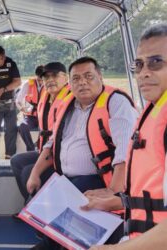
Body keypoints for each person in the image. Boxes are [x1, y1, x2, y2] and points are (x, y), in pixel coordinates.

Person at [27, 57, 138, 249]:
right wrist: (35, 174)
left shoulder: (115, 102)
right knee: (34, 199)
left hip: (99, 179)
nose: (83, 82)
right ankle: (52, 237)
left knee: (65, 215)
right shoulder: (69, 104)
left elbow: (125, 152)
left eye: (89, 76)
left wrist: (113, 190)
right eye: (76, 79)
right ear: (70, 83)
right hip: (65, 177)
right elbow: (52, 142)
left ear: (100, 77)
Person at [81, 23, 167, 250]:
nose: (144, 72)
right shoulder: (155, 109)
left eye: (156, 62)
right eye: (138, 65)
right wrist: (118, 201)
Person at [11, 62, 70, 204]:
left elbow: (56, 139)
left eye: (54, 75)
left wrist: (36, 172)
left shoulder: (71, 100)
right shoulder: (48, 97)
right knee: (16, 161)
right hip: (48, 150)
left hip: (62, 156)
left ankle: (38, 210)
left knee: (28, 172)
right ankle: (30, 204)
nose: (49, 80)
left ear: (66, 77)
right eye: (46, 77)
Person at [0, 46, 21, 159]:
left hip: (10, 103)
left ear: (4, 57)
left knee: (11, 129)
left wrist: (3, 90)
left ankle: (10, 155)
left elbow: (18, 82)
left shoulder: (11, 63)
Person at [15, 65, 44, 151]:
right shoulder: (28, 84)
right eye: (39, 79)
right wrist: (21, 108)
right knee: (21, 126)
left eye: (43, 79)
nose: (41, 82)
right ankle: (30, 147)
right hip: (30, 116)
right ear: (36, 76)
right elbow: (18, 100)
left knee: (47, 128)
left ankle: (40, 147)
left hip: (43, 115)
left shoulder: (49, 85)